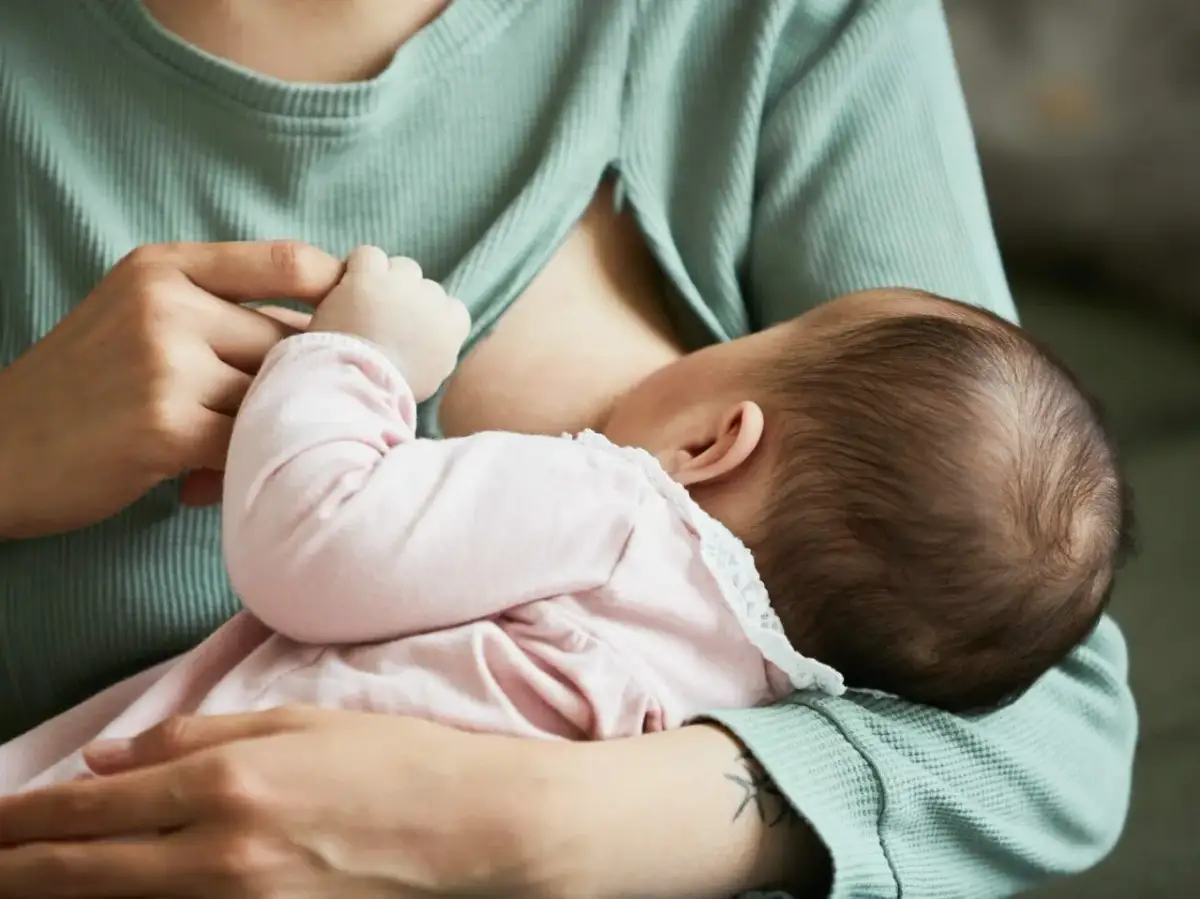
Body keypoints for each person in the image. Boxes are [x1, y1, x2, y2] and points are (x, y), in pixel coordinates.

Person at [0, 1, 1136, 897]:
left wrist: (544, 827)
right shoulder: (758, 658)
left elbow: (1045, 725)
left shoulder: (780, 26)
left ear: (713, 437)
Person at [1, 250, 1131, 795]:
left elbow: (312, 544)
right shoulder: (733, 697)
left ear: (713, 442)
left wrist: (359, 358)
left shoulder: (623, 507)